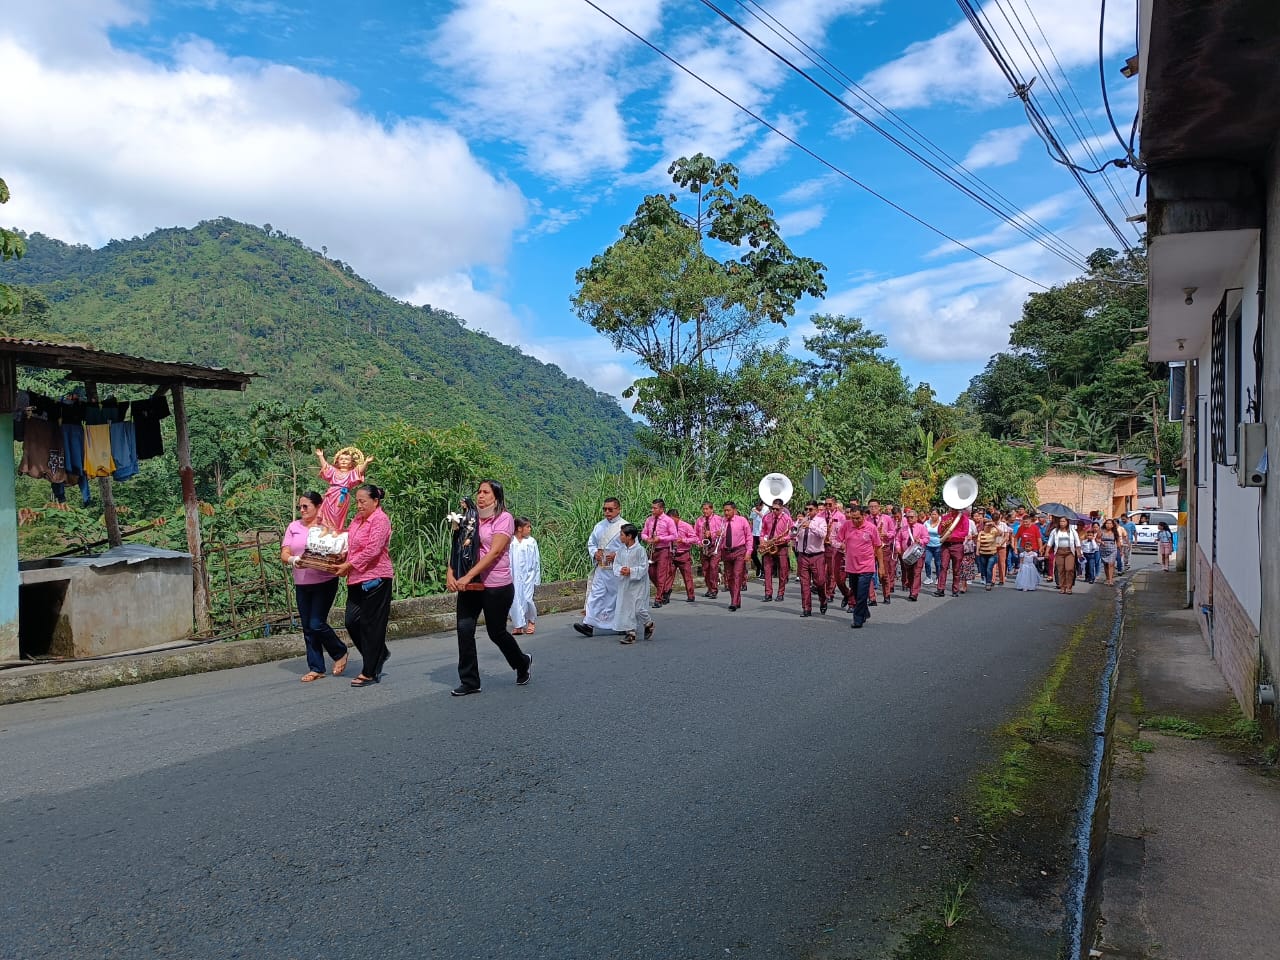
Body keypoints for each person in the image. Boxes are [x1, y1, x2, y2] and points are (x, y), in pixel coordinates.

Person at [447, 480, 533, 696]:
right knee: (464, 630)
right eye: (479, 492)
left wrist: (467, 575)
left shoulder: (504, 519)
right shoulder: (470, 518)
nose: (481, 496)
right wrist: (451, 572)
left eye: (486, 492)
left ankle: (521, 662)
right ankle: (470, 681)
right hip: (471, 585)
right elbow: (458, 546)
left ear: (496, 497)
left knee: (496, 632)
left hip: (496, 585)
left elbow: (494, 552)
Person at [280, 491, 349, 682]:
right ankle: (316, 667)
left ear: (318, 507)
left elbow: (340, 549)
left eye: (306, 506)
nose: (302, 510)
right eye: (299, 507)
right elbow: (284, 552)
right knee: (308, 627)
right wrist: (294, 559)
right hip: (302, 582)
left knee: (316, 623)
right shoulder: (294, 527)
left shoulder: (326, 526)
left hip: (324, 580)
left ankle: (339, 651)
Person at [335, 484, 393, 687]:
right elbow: (351, 544)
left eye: (363, 501)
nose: (358, 505)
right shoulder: (358, 520)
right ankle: (379, 653)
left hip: (376, 578)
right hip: (356, 579)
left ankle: (369, 670)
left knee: (371, 625)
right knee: (352, 621)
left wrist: (349, 564)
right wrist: (341, 556)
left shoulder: (380, 519)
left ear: (375, 501)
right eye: (357, 501)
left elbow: (372, 550)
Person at [574, 498, 628, 637]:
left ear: (618, 509)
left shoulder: (625, 526)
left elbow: (631, 547)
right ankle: (589, 624)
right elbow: (591, 543)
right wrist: (595, 554)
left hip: (617, 569)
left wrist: (617, 555)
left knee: (617, 597)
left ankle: (622, 624)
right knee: (595, 594)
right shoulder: (599, 526)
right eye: (605, 509)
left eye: (610, 509)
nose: (607, 512)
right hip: (602, 567)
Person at [837, 506, 883, 629]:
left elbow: (878, 547)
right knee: (856, 593)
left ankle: (857, 619)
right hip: (851, 566)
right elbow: (837, 539)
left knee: (862, 594)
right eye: (853, 518)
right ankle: (865, 611)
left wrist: (881, 566)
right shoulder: (847, 525)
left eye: (858, 518)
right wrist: (840, 544)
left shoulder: (871, 528)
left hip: (867, 566)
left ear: (863, 516)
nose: (855, 521)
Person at [612, 524, 655, 644]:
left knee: (638, 608)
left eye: (621, 535)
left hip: (638, 584)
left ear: (629, 536)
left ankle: (648, 623)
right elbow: (616, 564)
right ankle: (630, 633)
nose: (620, 537)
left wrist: (631, 571)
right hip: (625, 583)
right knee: (626, 607)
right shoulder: (620, 550)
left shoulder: (639, 550)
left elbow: (644, 567)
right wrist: (621, 569)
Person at [314, 446, 372, 532]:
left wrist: (366, 462)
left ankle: (335, 529)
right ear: (337, 461)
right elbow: (326, 467)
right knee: (327, 512)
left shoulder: (351, 473)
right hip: (331, 494)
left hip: (342, 495)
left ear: (351, 463)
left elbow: (359, 471)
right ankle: (326, 528)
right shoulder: (334, 471)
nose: (344, 461)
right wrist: (320, 456)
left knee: (337, 512)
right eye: (341, 459)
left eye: (346, 459)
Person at [793, 501, 828, 617]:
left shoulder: (821, 521)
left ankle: (823, 600)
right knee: (804, 584)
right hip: (803, 556)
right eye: (806, 509)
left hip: (817, 555)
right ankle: (806, 608)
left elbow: (823, 534)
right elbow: (793, 534)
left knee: (820, 582)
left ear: (817, 510)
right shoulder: (801, 521)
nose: (808, 511)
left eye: (810, 509)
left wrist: (811, 525)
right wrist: (797, 526)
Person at [641, 499, 678, 607]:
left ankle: (658, 599)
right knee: (651, 572)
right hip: (652, 549)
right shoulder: (649, 520)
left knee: (661, 575)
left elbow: (674, 536)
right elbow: (644, 533)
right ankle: (665, 590)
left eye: (655, 508)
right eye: (652, 508)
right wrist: (647, 538)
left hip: (663, 549)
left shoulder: (668, 520)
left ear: (661, 509)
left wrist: (660, 538)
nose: (652, 510)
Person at [719, 501, 754, 611]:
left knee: (737, 575)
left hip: (739, 551)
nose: (726, 512)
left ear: (734, 510)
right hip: (726, 552)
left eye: (728, 510)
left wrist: (748, 552)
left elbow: (749, 537)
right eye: (724, 510)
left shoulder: (742, 520)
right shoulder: (722, 521)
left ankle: (733, 602)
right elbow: (718, 537)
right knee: (729, 577)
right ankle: (736, 599)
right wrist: (717, 534)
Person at [509, 517, 542, 635]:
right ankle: (518, 624)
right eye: (527, 527)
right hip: (514, 576)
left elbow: (536, 560)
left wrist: (536, 577)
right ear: (519, 528)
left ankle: (531, 620)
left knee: (528, 599)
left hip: (529, 575)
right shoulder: (511, 542)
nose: (530, 529)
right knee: (515, 599)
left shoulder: (531, 541)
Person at [760, 498, 793, 602]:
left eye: (777, 509)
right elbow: (763, 531)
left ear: (782, 508)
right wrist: (762, 541)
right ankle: (768, 593)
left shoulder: (787, 519)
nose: (774, 511)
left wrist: (784, 539)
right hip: (768, 545)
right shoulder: (767, 517)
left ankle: (780, 593)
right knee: (767, 570)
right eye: (772, 508)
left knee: (783, 571)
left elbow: (791, 532)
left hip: (781, 546)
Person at [934, 504, 970, 598]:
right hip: (945, 545)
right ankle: (940, 589)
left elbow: (965, 532)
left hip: (957, 545)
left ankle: (955, 589)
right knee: (943, 567)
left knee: (956, 568)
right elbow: (939, 531)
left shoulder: (963, 518)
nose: (953, 508)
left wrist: (953, 535)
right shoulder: (945, 517)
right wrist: (942, 526)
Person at [1044, 515, 1083, 595]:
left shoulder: (1072, 531)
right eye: (1061, 521)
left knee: (1069, 569)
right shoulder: (1055, 531)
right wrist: (1046, 552)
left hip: (1069, 552)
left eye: (1064, 521)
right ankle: (1062, 587)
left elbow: (1077, 542)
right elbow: (1050, 542)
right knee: (1061, 570)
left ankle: (1069, 587)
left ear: (1067, 522)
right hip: (1059, 552)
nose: (1062, 523)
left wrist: (1079, 552)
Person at [896, 508, 929, 601]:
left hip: (918, 554)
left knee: (917, 573)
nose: (909, 519)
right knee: (909, 574)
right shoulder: (903, 529)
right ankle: (911, 588)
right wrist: (898, 547)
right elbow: (898, 539)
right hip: (907, 554)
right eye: (907, 517)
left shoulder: (921, 527)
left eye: (911, 517)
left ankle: (914, 593)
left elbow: (927, 538)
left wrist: (921, 541)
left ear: (916, 517)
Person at [821, 496, 848, 607]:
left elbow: (843, 532)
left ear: (835, 504)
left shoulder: (841, 516)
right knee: (824, 572)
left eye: (830, 504)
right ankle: (827, 591)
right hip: (822, 545)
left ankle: (830, 593)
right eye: (825, 504)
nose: (827, 507)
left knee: (832, 571)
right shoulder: (821, 515)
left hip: (834, 546)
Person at [693, 501, 724, 598]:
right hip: (704, 547)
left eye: (707, 509)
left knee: (713, 567)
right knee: (706, 569)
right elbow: (695, 534)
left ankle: (714, 589)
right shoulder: (699, 520)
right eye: (703, 509)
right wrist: (699, 543)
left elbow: (722, 532)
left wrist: (712, 534)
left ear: (711, 509)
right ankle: (709, 588)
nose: (705, 511)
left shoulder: (718, 519)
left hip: (715, 546)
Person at [667, 508, 698, 603]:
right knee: (668, 576)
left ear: (677, 517)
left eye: (672, 519)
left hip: (683, 553)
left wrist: (683, 540)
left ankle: (691, 595)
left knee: (687, 575)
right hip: (672, 554)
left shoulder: (686, 526)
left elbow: (695, 538)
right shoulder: (667, 527)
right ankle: (665, 595)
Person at [976, 518, 1000, 590]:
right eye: (986, 525)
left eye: (989, 525)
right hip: (983, 553)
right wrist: (977, 550)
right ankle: (987, 581)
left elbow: (1001, 533)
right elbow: (978, 542)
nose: (988, 526)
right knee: (984, 569)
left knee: (989, 568)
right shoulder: (981, 533)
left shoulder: (994, 531)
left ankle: (988, 583)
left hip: (992, 554)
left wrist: (994, 525)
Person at [923, 508, 942, 586]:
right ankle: (928, 577)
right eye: (932, 514)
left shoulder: (941, 523)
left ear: (938, 515)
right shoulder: (926, 523)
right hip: (928, 545)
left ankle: (938, 577)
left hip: (938, 545)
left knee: (938, 563)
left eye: (935, 514)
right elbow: (923, 531)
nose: (933, 516)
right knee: (927, 561)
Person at [1098, 518, 1119, 586]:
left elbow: (1118, 541)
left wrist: (1120, 550)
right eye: (1107, 523)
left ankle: (1110, 580)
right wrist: (1101, 542)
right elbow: (1097, 539)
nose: (1108, 525)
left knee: (1111, 564)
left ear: (1113, 525)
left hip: (1112, 550)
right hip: (1103, 549)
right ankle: (1107, 578)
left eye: (1110, 523)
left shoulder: (1115, 532)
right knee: (1106, 564)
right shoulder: (1101, 531)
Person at [749, 499, 766, 580]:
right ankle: (758, 566)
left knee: (763, 553)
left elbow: (765, 518)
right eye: (756, 506)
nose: (757, 508)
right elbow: (752, 520)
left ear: (761, 505)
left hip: (762, 534)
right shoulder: (754, 509)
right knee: (752, 552)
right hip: (754, 533)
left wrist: (757, 512)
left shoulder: (766, 509)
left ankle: (763, 571)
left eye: (758, 506)